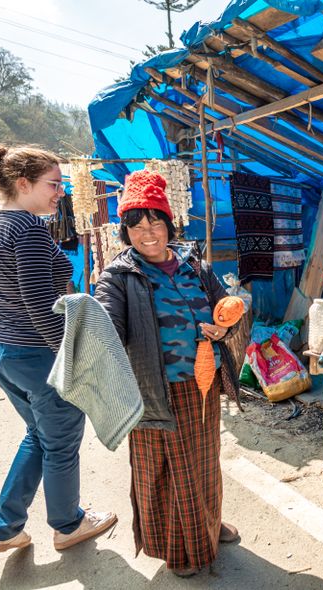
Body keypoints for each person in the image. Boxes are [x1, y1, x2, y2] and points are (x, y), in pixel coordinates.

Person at [0, 143, 117, 553]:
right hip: (37, 356)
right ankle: (68, 524)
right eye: (53, 184)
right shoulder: (27, 230)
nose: (60, 193)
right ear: (23, 184)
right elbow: (40, 304)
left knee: (39, 434)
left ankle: (6, 527)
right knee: (61, 441)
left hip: (0, 351)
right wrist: (69, 357)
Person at [94, 169, 239, 577]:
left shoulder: (195, 264)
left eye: (154, 220)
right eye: (135, 225)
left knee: (204, 463)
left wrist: (223, 324)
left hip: (200, 384)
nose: (147, 232)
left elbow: (221, 303)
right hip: (151, 392)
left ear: (168, 222)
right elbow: (106, 326)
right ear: (125, 231)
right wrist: (86, 320)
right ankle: (178, 550)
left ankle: (208, 528)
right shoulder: (119, 277)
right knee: (162, 472)